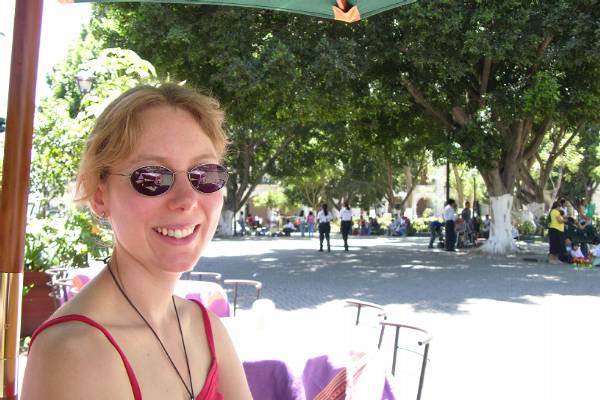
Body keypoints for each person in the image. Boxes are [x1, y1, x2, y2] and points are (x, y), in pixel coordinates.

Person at [22, 84, 252, 399]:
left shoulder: (206, 328)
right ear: (99, 195)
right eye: (152, 178)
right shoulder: (73, 353)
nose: (187, 199)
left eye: (205, 174)